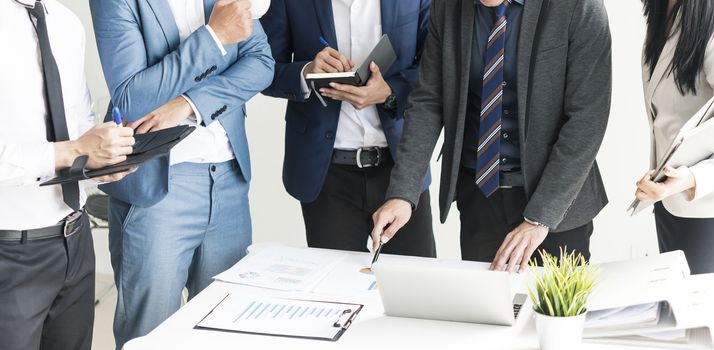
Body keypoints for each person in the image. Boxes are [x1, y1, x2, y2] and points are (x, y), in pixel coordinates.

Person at [371, 0, 612, 271]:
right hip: (480, 197)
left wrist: (539, 219)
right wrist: (402, 193)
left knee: (552, 311)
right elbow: (428, 100)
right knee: (486, 310)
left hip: (557, 204)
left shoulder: (578, 6)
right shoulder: (447, 7)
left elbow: (586, 120)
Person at [89, 0, 274, 346]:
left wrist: (189, 104)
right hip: (159, 185)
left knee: (224, 332)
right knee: (149, 336)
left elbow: (262, 63)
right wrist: (213, 35)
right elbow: (130, 97)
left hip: (229, 180)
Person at [0, 0, 136, 348]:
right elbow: (72, 148)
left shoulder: (67, 23)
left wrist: (101, 164)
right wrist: (75, 151)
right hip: (9, 252)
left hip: (75, 241)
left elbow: (79, 127)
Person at [260, 0, 436, 257]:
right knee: (335, 292)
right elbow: (263, 67)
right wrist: (306, 71)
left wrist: (389, 93)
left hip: (400, 171)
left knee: (416, 289)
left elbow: (436, 65)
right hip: (326, 175)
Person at [635, 0, 714, 278]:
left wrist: (693, 178)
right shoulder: (661, 14)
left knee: (704, 316)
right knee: (677, 313)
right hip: (669, 203)